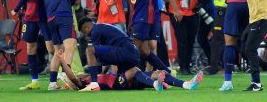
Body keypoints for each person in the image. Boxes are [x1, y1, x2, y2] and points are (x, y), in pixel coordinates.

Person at [74, 19, 203, 92]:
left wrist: (95, 77)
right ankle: (186, 84)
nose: (86, 36)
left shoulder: (95, 31)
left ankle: (94, 84)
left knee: (90, 50)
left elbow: (97, 57)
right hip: (130, 55)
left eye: (84, 32)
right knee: (156, 73)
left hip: (124, 53)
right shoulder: (103, 28)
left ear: (86, 27)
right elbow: (105, 58)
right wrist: (101, 71)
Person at [12, 0, 78, 90]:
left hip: (50, 18)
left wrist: (16, 8)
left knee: (58, 50)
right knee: (70, 45)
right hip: (64, 16)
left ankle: (52, 83)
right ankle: (65, 75)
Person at [120, 0, 181, 73]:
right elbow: (132, 2)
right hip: (136, 17)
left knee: (133, 47)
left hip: (145, 17)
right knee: (145, 51)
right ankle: (166, 74)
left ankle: (125, 76)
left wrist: (176, 10)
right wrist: (130, 20)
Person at [9, 0, 55, 90]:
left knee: (52, 49)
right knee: (30, 48)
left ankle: (56, 79)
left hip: (47, 16)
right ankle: (34, 82)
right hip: (30, 15)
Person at [165, 0, 203, 75]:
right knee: (182, 40)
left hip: (192, 14)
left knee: (191, 41)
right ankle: (183, 67)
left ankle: (188, 66)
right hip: (177, 14)